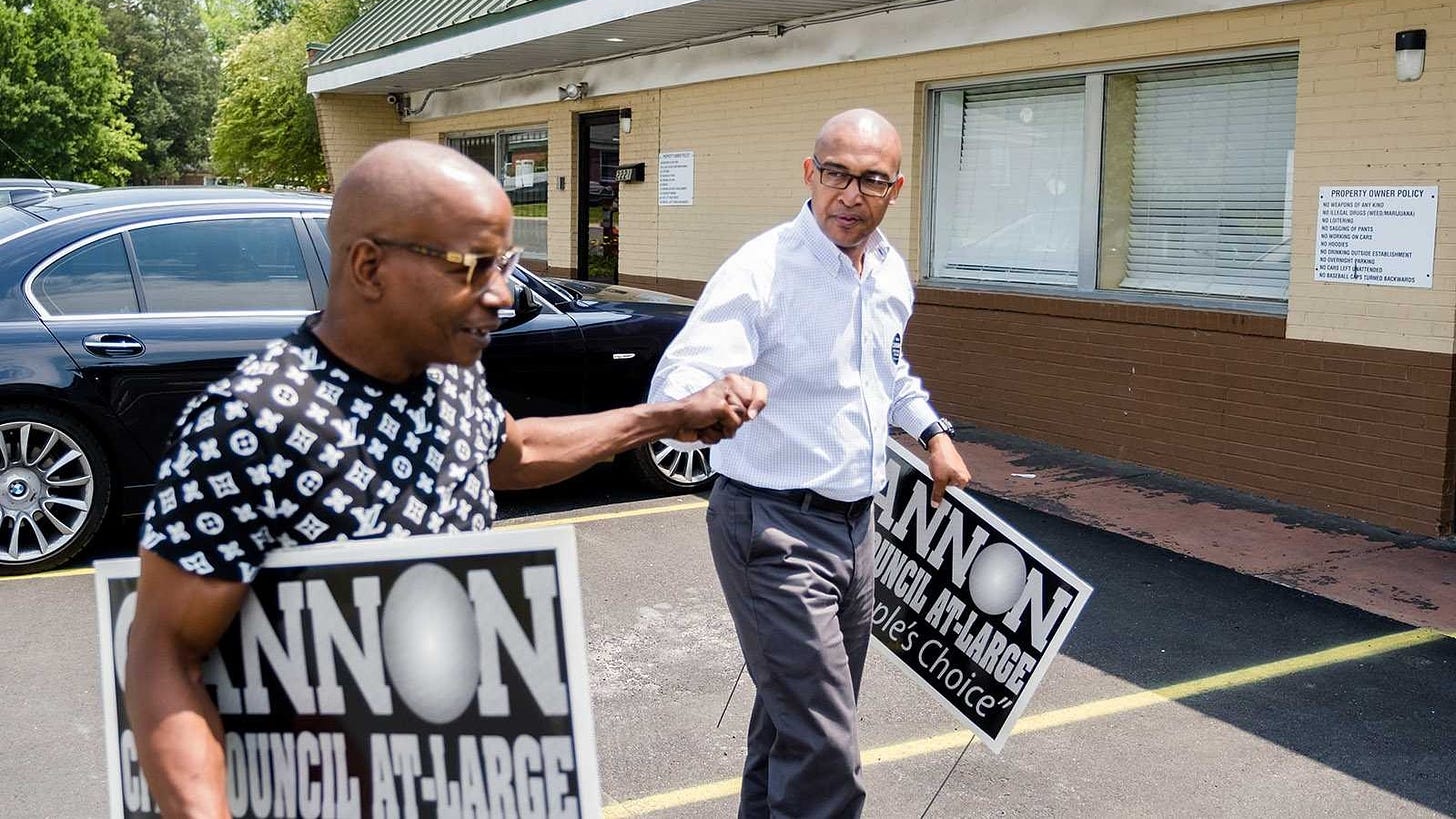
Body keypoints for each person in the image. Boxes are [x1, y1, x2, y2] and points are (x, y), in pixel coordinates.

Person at [125, 139, 768, 818]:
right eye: (475, 266)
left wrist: (664, 416)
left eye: (507, 263)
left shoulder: (447, 380)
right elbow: (164, 653)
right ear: (369, 265)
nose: (502, 292)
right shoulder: (250, 423)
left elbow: (513, 454)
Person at [648, 109, 971, 818]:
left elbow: (886, 371)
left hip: (855, 531)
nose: (850, 195)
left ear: (896, 188)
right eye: (836, 175)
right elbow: (676, 383)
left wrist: (931, 431)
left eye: (871, 180)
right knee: (825, 753)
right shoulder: (763, 270)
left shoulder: (887, 272)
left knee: (790, 724)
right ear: (809, 173)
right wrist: (707, 403)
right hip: (773, 531)